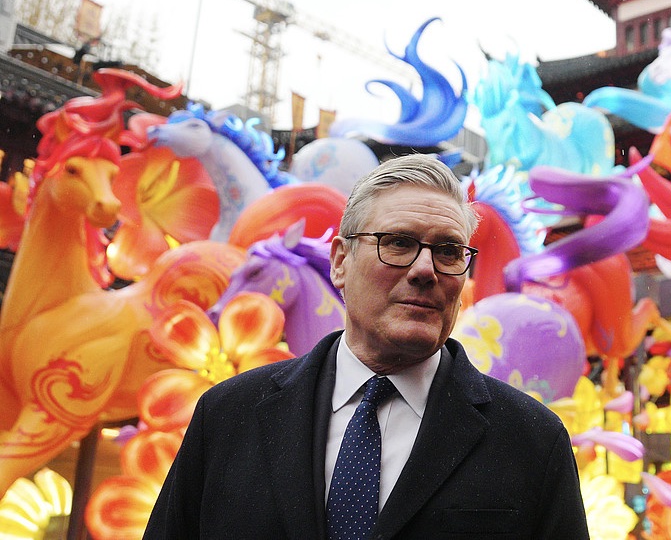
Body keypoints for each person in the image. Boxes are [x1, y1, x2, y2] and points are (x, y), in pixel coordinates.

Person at [143, 154, 589, 539]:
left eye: (449, 251)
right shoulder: (227, 417)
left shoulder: (532, 442)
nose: (425, 270)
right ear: (340, 261)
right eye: (398, 243)